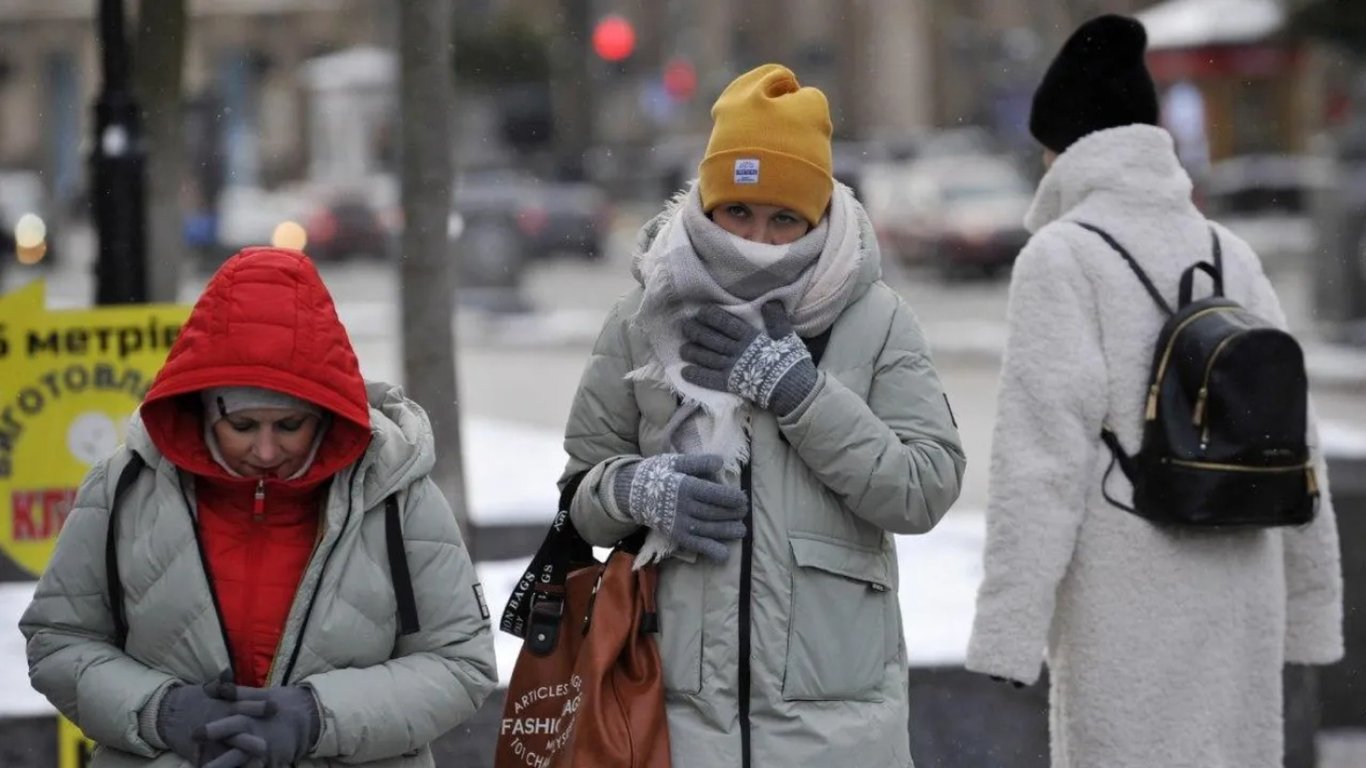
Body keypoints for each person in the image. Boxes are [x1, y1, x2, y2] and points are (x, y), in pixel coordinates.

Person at [559, 63, 966, 767]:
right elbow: (580, 498)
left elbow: (923, 486)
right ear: (709, 204)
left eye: (785, 219)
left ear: (818, 217)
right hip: (670, 727)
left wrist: (799, 394)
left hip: (837, 737)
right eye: (738, 212)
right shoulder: (642, 317)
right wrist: (634, 490)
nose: (757, 239)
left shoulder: (875, 320)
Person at [965, 15, 1343, 768]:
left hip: (1131, 599)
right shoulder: (1228, 251)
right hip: (1244, 588)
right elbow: (1300, 446)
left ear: (1063, 148)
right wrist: (1312, 608)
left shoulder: (1063, 257)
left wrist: (1008, 632)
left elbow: (1040, 461)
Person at [21, 247, 496, 767]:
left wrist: (317, 718)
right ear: (202, 407)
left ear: (325, 411)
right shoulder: (125, 488)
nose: (266, 451)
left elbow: (460, 662)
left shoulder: (395, 493)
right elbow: (59, 640)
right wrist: (161, 711)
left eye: (290, 426)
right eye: (242, 426)